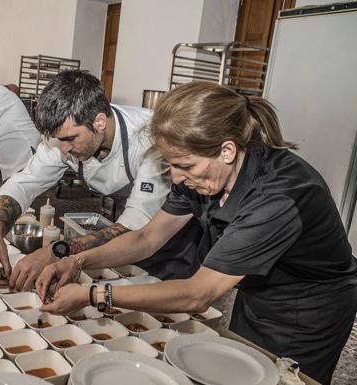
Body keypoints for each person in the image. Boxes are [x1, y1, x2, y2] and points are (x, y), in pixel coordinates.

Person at [36, 81, 357, 385]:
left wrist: (94, 295)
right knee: (239, 369)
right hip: (257, 288)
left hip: (308, 305)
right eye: (170, 164)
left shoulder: (277, 198)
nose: (176, 177)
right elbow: (148, 238)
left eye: (184, 166)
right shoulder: (202, 172)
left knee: (281, 375)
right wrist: (77, 261)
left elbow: (197, 294)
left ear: (227, 151)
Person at [0, 70, 202, 291]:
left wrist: (57, 251)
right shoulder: (63, 137)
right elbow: (25, 182)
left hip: (172, 237)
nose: (63, 149)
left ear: (100, 122)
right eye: (58, 140)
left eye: (70, 139)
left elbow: (138, 222)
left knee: (162, 300)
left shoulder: (148, 139)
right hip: (124, 223)